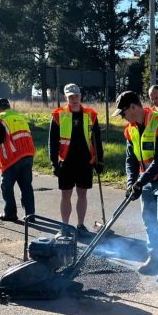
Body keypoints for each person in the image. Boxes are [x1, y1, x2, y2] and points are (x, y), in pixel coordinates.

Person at [112, 90, 158, 282]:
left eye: (123, 113)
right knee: (149, 219)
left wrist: (139, 182)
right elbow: (131, 160)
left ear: (133, 107)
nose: (123, 118)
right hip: (147, 179)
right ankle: (155, 259)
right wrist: (131, 183)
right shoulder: (131, 128)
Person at [48, 83, 104, 237]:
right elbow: (52, 142)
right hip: (66, 162)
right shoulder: (58, 115)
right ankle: (65, 227)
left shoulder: (91, 115)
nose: (74, 99)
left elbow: (97, 140)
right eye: (70, 96)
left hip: (85, 162)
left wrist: (100, 161)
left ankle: (80, 225)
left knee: (82, 194)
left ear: (80, 96)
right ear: (65, 97)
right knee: (66, 195)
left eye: (76, 96)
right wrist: (53, 162)